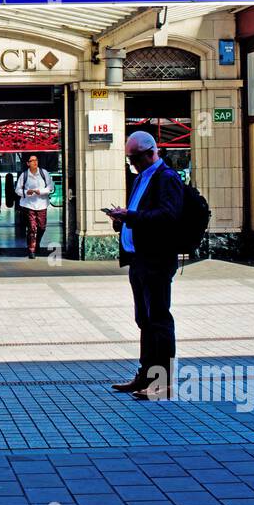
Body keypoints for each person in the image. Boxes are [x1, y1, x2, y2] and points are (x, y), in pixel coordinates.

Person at [106, 131, 185, 400]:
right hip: (138, 259)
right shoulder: (142, 177)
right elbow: (140, 214)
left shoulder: (167, 179)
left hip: (157, 259)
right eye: (130, 160)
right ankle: (146, 375)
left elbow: (168, 216)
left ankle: (163, 383)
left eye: (136, 159)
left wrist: (132, 216)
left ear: (152, 153)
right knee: (145, 319)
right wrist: (122, 219)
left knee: (159, 319)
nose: (134, 165)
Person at [16, 154, 53, 258]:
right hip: (29, 204)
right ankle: (31, 250)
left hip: (42, 204)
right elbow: (17, 190)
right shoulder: (24, 175)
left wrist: (40, 191)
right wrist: (26, 192)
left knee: (42, 227)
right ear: (28, 163)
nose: (35, 162)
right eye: (32, 161)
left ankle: (37, 242)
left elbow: (50, 187)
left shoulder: (43, 173)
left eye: (36, 160)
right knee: (32, 228)